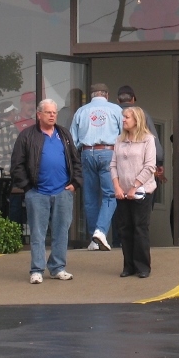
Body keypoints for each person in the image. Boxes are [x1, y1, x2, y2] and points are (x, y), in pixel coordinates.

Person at [11, 99, 82, 283]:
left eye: (54, 112)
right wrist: (28, 187)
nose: (52, 115)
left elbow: (76, 160)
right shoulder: (27, 136)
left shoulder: (64, 134)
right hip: (37, 193)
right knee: (38, 233)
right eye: (48, 112)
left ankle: (58, 268)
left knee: (61, 232)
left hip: (63, 192)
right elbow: (17, 165)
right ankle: (37, 270)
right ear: (39, 114)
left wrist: (75, 183)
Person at [70, 83, 124, 251]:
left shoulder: (81, 111)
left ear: (91, 96)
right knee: (111, 195)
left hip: (86, 153)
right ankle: (100, 231)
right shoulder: (115, 110)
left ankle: (94, 239)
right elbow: (124, 134)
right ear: (106, 95)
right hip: (108, 152)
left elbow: (72, 139)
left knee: (90, 197)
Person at [110, 106, 157, 278]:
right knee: (125, 229)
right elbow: (113, 165)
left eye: (127, 117)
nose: (123, 120)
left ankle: (143, 266)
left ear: (137, 120)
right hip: (122, 193)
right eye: (123, 117)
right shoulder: (119, 140)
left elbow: (150, 166)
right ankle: (128, 266)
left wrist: (134, 186)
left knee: (140, 228)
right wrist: (117, 186)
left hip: (141, 192)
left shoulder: (148, 139)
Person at [117, 85, 165, 181]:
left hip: (116, 163)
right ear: (133, 99)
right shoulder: (142, 114)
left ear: (118, 100)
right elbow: (153, 137)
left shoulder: (112, 112)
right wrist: (159, 162)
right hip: (138, 164)